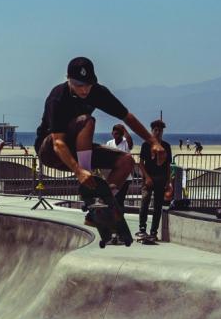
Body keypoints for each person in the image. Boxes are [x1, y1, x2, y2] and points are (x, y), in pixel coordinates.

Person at [35, 56, 163, 218]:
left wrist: (152, 142)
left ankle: (100, 203)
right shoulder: (58, 97)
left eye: (88, 85)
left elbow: (127, 117)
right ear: (68, 79)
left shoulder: (98, 92)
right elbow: (58, 143)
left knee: (127, 161)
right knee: (87, 120)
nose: (84, 90)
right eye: (78, 85)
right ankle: (87, 184)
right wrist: (79, 171)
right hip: (50, 150)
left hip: (77, 150)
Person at [136, 120, 173, 241]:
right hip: (148, 178)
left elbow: (168, 166)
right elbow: (141, 163)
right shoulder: (146, 145)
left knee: (158, 206)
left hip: (161, 179)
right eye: (155, 130)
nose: (157, 132)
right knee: (144, 202)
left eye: (160, 130)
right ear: (152, 131)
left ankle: (153, 232)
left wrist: (168, 181)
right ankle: (142, 229)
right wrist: (146, 177)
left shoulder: (166, 146)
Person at [104, 123, 134, 210]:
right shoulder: (109, 143)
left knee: (120, 199)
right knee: (112, 199)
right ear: (112, 133)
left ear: (122, 134)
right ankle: (113, 219)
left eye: (118, 133)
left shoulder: (125, 142)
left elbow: (131, 145)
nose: (116, 135)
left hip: (125, 177)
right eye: (114, 133)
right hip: (113, 176)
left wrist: (124, 129)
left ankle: (119, 218)